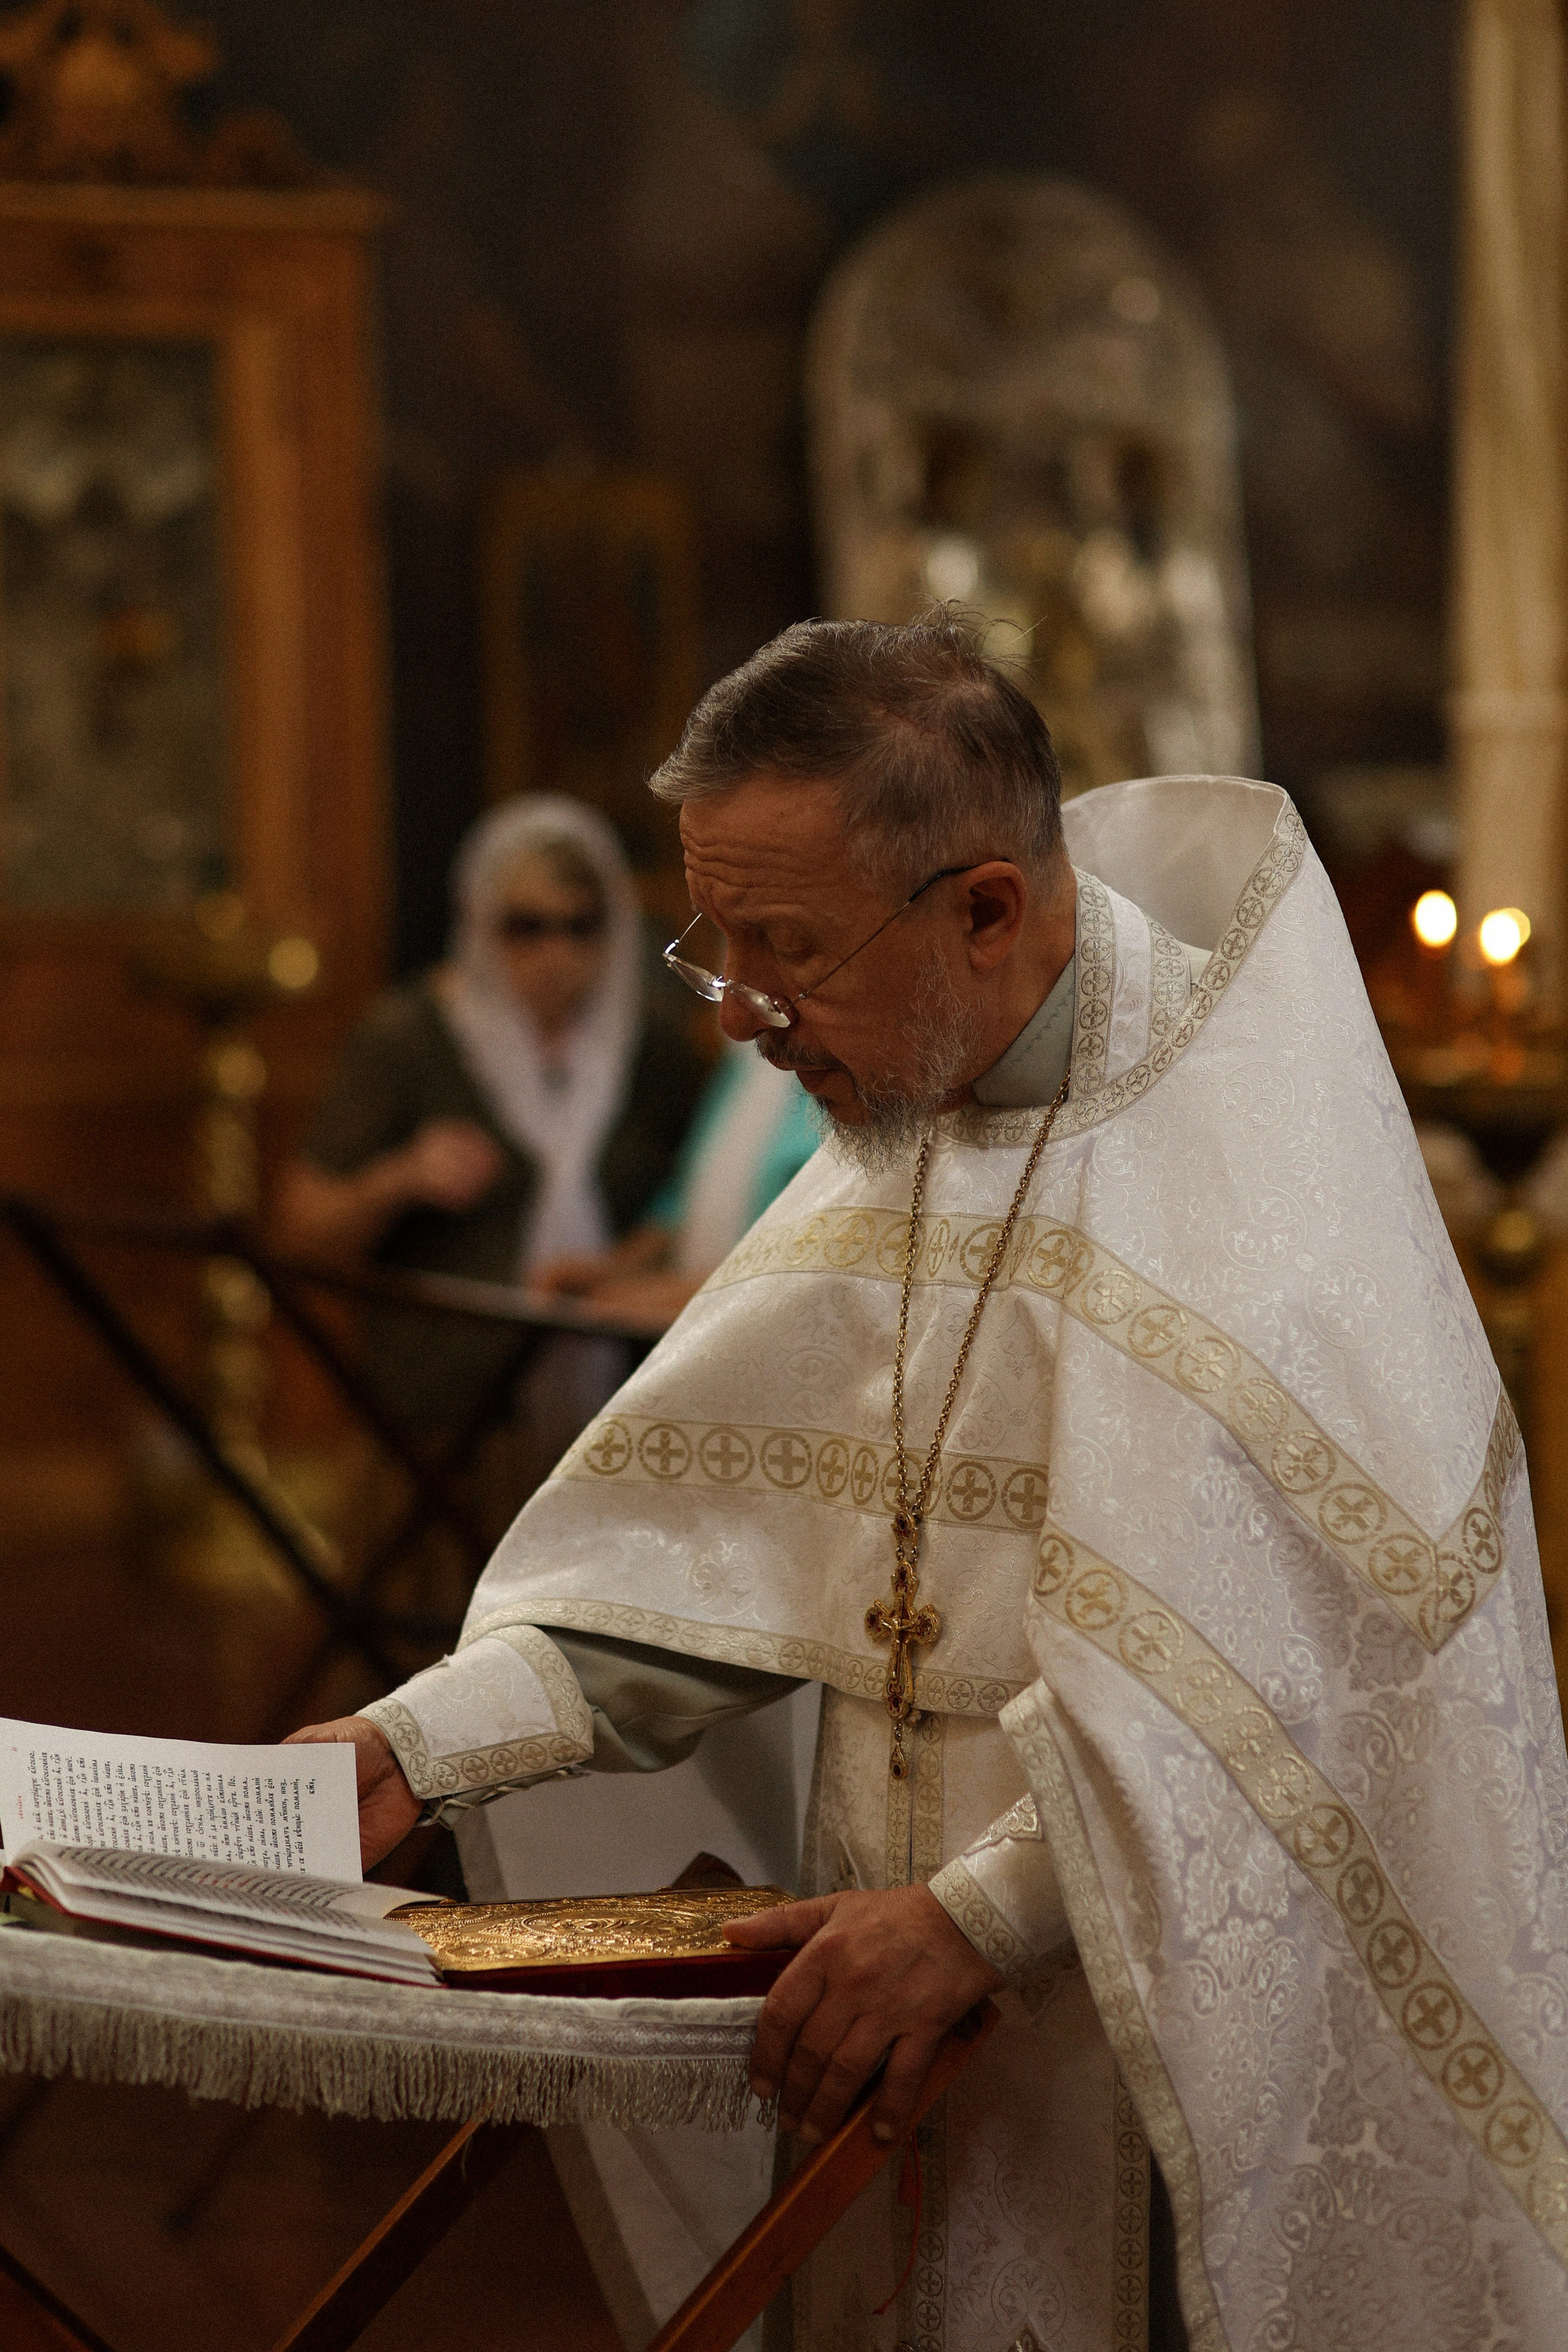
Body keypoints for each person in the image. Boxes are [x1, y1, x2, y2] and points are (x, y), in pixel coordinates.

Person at [289, 615, 1568, 2351]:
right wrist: (410, 1750)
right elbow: (703, 1566)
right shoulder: (901, 1117)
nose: (740, 1015)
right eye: (715, 946)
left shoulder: (1265, 1200)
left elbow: (1307, 1701)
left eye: (789, 950)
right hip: (872, 2025)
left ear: (984, 908)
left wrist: (978, 1918)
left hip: (1153, 2052)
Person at [273, 795, 707, 1485]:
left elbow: (692, 1200)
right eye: (525, 927)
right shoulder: (409, 1036)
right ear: (480, 923)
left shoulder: (652, 1047)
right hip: (441, 1430)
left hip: (617, 1430)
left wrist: (624, 1267)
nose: (555, 954)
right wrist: (401, 1178)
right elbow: (301, 1231)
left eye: (581, 926)